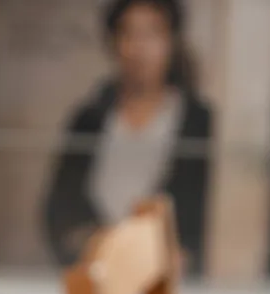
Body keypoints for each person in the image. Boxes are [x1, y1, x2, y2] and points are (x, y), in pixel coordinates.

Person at [44, 0, 213, 272]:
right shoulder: (88, 119)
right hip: (95, 276)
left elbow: (198, 220)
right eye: (129, 33)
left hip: (164, 283)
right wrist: (95, 242)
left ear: (172, 41)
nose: (139, 48)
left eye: (152, 33)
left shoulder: (197, 121)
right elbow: (59, 211)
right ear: (113, 42)